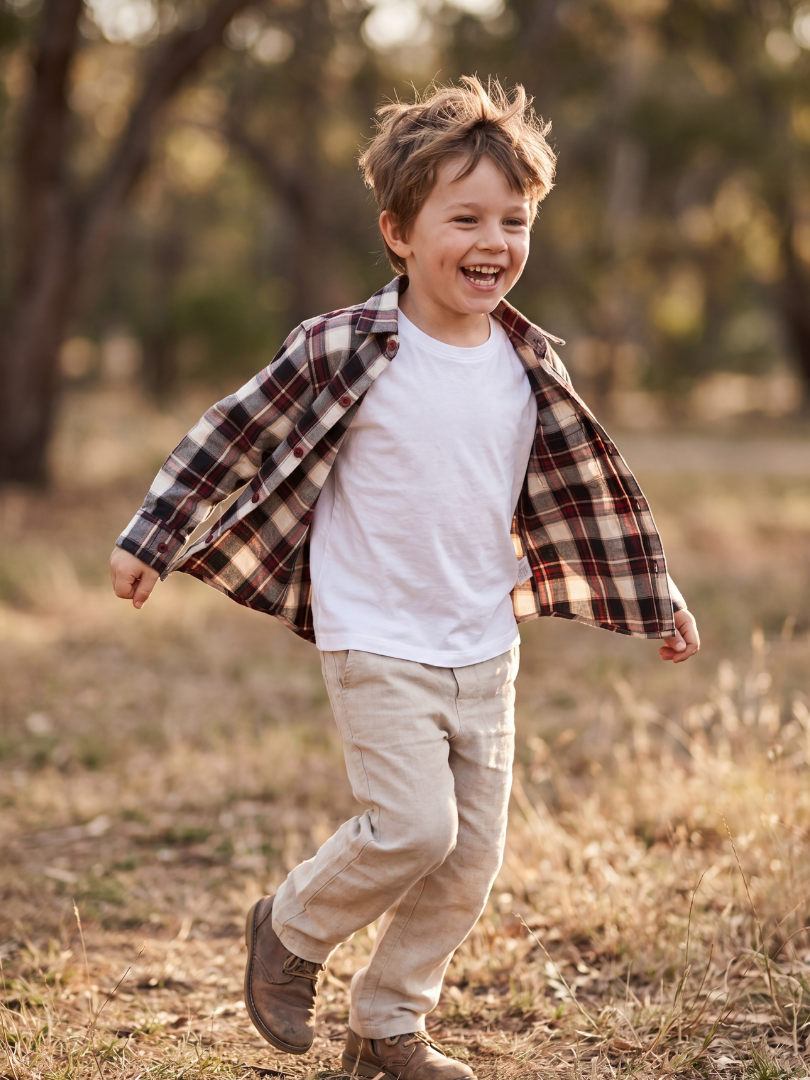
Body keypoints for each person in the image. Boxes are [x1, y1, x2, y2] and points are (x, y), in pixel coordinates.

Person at [109, 76, 699, 1080]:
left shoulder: (529, 361)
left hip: (484, 643)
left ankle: (386, 1024)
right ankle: (290, 929)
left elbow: (589, 491)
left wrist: (659, 592)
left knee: (469, 859)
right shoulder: (345, 346)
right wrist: (152, 534)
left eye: (514, 220)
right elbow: (231, 430)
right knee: (413, 826)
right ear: (398, 232)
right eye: (464, 217)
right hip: (375, 633)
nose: (494, 241)